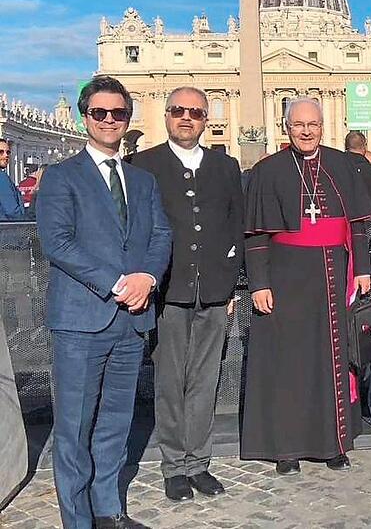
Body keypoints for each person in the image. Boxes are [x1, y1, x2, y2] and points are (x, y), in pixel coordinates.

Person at [36, 75, 172, 529]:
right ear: (85, 117)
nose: (110, 120)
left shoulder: (143, 179)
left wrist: (148, 277)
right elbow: (58, 242)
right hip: (81, 319)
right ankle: (77, 521)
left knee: (116, 423)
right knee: (73, 427)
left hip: (131, 320)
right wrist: (119, 283)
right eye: (100, 113)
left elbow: (160, 235)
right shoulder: (60, 176)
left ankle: (109, 510)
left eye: (118, 113)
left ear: (128, 119)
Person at [241, 98, 371, 475]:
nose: (306, 131)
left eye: (312, 124)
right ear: (287, 127)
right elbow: (256, 235)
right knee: (287, 361)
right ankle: (287, 449)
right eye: (298, 124)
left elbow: (359, 225)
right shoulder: (268, 171)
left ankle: (333, 444)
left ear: (322, 125)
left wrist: (363, 269)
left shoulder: (342, 164)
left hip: (333, 272)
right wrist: (259, 283)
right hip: (284, 276)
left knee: (330, 358)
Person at [128, 87, 244, 502]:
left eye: (195, 112)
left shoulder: (225, 165)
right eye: (179, 110)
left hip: (214, 289)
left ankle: (199, 462)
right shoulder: (142, 164)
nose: (187, 117)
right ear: (166, 115)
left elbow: (236, 225)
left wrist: (233, 283)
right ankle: (174, 465)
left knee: (204, 380)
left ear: (206, 118)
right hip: (168, 290)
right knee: (170, 381)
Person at [0, 139, 25, 220]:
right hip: (7, 229)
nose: (6, 155)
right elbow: (12, 211)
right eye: (1, 152)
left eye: (8, 152)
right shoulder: (1, 177)